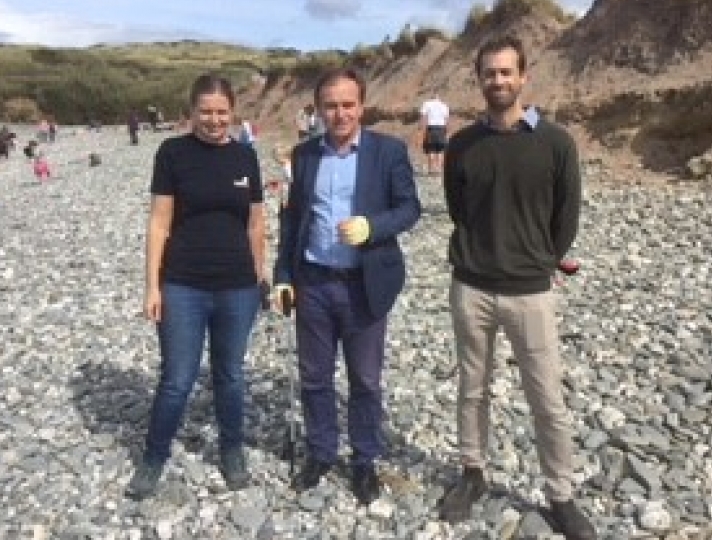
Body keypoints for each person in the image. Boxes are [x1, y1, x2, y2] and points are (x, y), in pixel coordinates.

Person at [439, 35, 596, 540]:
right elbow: (459, 209)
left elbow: (565, 217)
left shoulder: (555, 143)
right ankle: (472, 473)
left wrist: (540, 261)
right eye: (490, 73)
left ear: (524, 77)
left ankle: (561, 494)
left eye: (507, 73)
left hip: (531, 290)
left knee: (547, 396)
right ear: (479, 79)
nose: (498, 81)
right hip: (472, 287)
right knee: (472, 388)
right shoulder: (461, 146)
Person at [273, 67, 421, 506]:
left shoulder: (388, 151)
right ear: (317, 110)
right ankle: (321, 452)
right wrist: (283, 276)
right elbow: (291, 220)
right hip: (314, 282)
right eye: (330, 106)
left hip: (363, 284)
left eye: (347, 105)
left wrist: (373, 226)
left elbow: (410, 207)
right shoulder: (303, 157)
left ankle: (364, 460)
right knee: (315, 377)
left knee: (366, 380)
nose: (339, 114)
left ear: (362, 106)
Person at [126, 73, 266, 500]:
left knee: (230, 375)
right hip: (183, 285)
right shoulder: (172, 153)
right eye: (205, 112)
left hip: (237, 287)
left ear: (233, 114)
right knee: (177, 378)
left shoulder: (246, 157)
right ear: (191, 113)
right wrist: (152, 287)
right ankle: (153, 458)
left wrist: (260, 278)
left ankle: (232, 450)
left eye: (222, 112)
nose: (214, 120)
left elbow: (257, 224)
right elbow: (158, 223)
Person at [418, 93, 450, 175]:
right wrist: (446, 130)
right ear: (439, 97)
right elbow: (446, 120)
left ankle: (431, 169)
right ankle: (439, 169)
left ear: (432, 96)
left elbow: (423, 117)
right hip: (441, 128)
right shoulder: (444, 105)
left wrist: (421, 128)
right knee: (440, 149)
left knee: (431, 148)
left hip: (431, 128)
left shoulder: (427, 103)